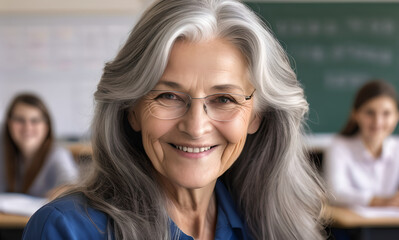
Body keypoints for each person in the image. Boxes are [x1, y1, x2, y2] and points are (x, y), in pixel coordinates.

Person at [23, 0, 326, 239]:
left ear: (257, 116)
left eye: (224, 99)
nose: (195, 128)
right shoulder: (66, 230)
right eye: (168, 96)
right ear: (131, 109)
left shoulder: (281, 228)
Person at [324, 79, 399, 207]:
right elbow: (335, 192)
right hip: (353, 225)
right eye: (370, 112)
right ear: (355, 114)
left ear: (396, 116)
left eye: (386, 113)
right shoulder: (339, 146)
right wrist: (383, 202)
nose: (378, 122)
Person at [0, 93, 78, 197]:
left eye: (35, 120)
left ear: (46, 126)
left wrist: (59, 193)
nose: (27, 127)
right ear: (9, 124)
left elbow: (73, 187)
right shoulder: (4, 153)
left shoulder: (58, 155)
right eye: (19, 120)